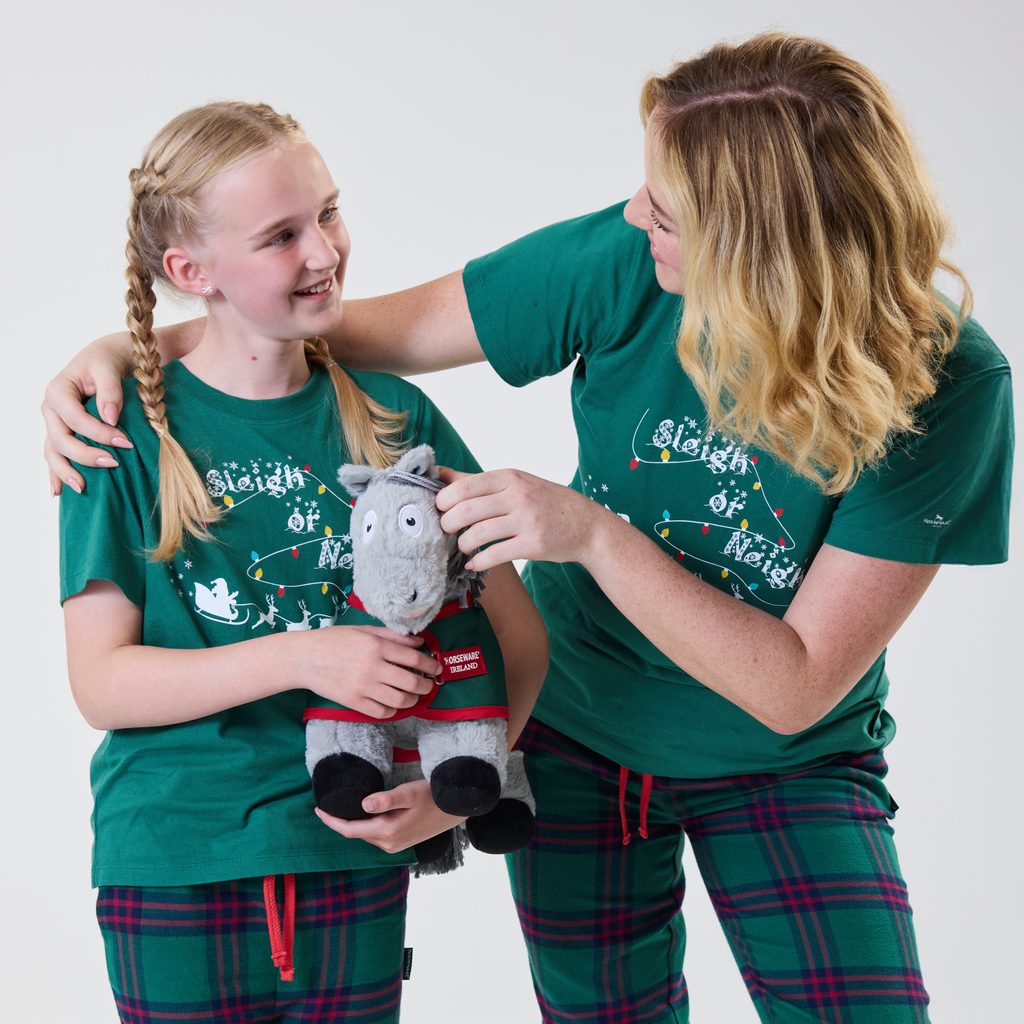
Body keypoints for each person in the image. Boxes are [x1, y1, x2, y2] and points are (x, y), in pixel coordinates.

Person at [45, 34, 1014, 1024]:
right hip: (579, 735)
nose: (632, 216)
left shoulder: (949, 384)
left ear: (756, 239)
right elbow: (340, 327)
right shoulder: (627, 257)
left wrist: (590, 534)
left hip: (785, 759)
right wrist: (126, 348)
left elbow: (793, 687)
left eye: (665, 211)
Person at [56, 100, 547, 1024]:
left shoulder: (399, 421)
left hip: (351, 850)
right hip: (175, 855)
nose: (325, 250)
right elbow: (101, 683)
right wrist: (302, 656)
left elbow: (518, 643)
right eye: (282, 235)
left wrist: (452, 802)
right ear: (190, 271)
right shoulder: (116, 435)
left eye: (328, 212)